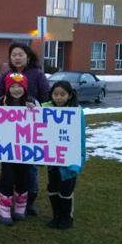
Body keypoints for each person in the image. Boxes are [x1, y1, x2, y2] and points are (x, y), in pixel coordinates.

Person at [0, 42, 50, 216]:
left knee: (30, 169)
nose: (17, 57)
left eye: (20, 54)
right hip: (10, 133)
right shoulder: (5, 75)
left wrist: (37, 110)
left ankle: (28, 201)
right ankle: (7, 199)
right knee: (8, 168)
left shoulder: (37, 74)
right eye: (14, 55)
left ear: (28, 56)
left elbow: (45, 98)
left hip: (30, 132)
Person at [0, 73, 38, 226]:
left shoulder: (31, 102)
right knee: (7, 178)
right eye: (12, 86)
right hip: (8, 150)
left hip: (26, 150)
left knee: (23, 178)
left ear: (25, 88)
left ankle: (20, 206)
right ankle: (4, 208)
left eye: (19, 86)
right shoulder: (2, 101)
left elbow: (40, 122)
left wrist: (34, 110)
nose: (16, 89)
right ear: (7, 88)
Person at [42, 81, 86, 230]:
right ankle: (56, 216)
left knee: (66, 190)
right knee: (53, 188)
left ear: (69, 95)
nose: (59, 98)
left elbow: (79, 137)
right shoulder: (45, 109)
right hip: (52, 158)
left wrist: (77, 159)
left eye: (62, 94)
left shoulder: (75, 112)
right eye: (56, 94)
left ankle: (67, 218)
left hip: (68, 159)